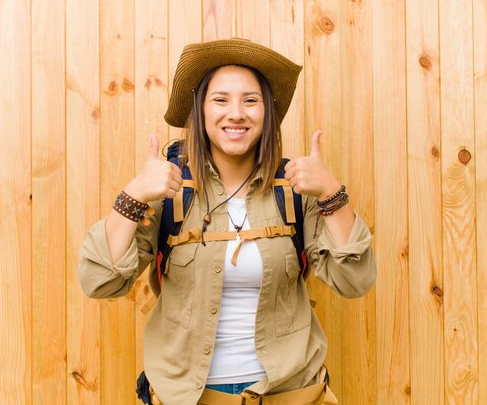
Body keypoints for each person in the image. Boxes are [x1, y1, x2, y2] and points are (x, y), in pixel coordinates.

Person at [77, 37, 376, 405]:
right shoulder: (168, 193)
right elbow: (98, 281)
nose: (236, 113)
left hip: (292, 394)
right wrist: (134, 195)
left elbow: (354, 281)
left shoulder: (297, 191)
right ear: (199, 112)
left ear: (267, 112)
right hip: (186, 396)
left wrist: (331, 192)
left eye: (250, 100)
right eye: (220, 99)